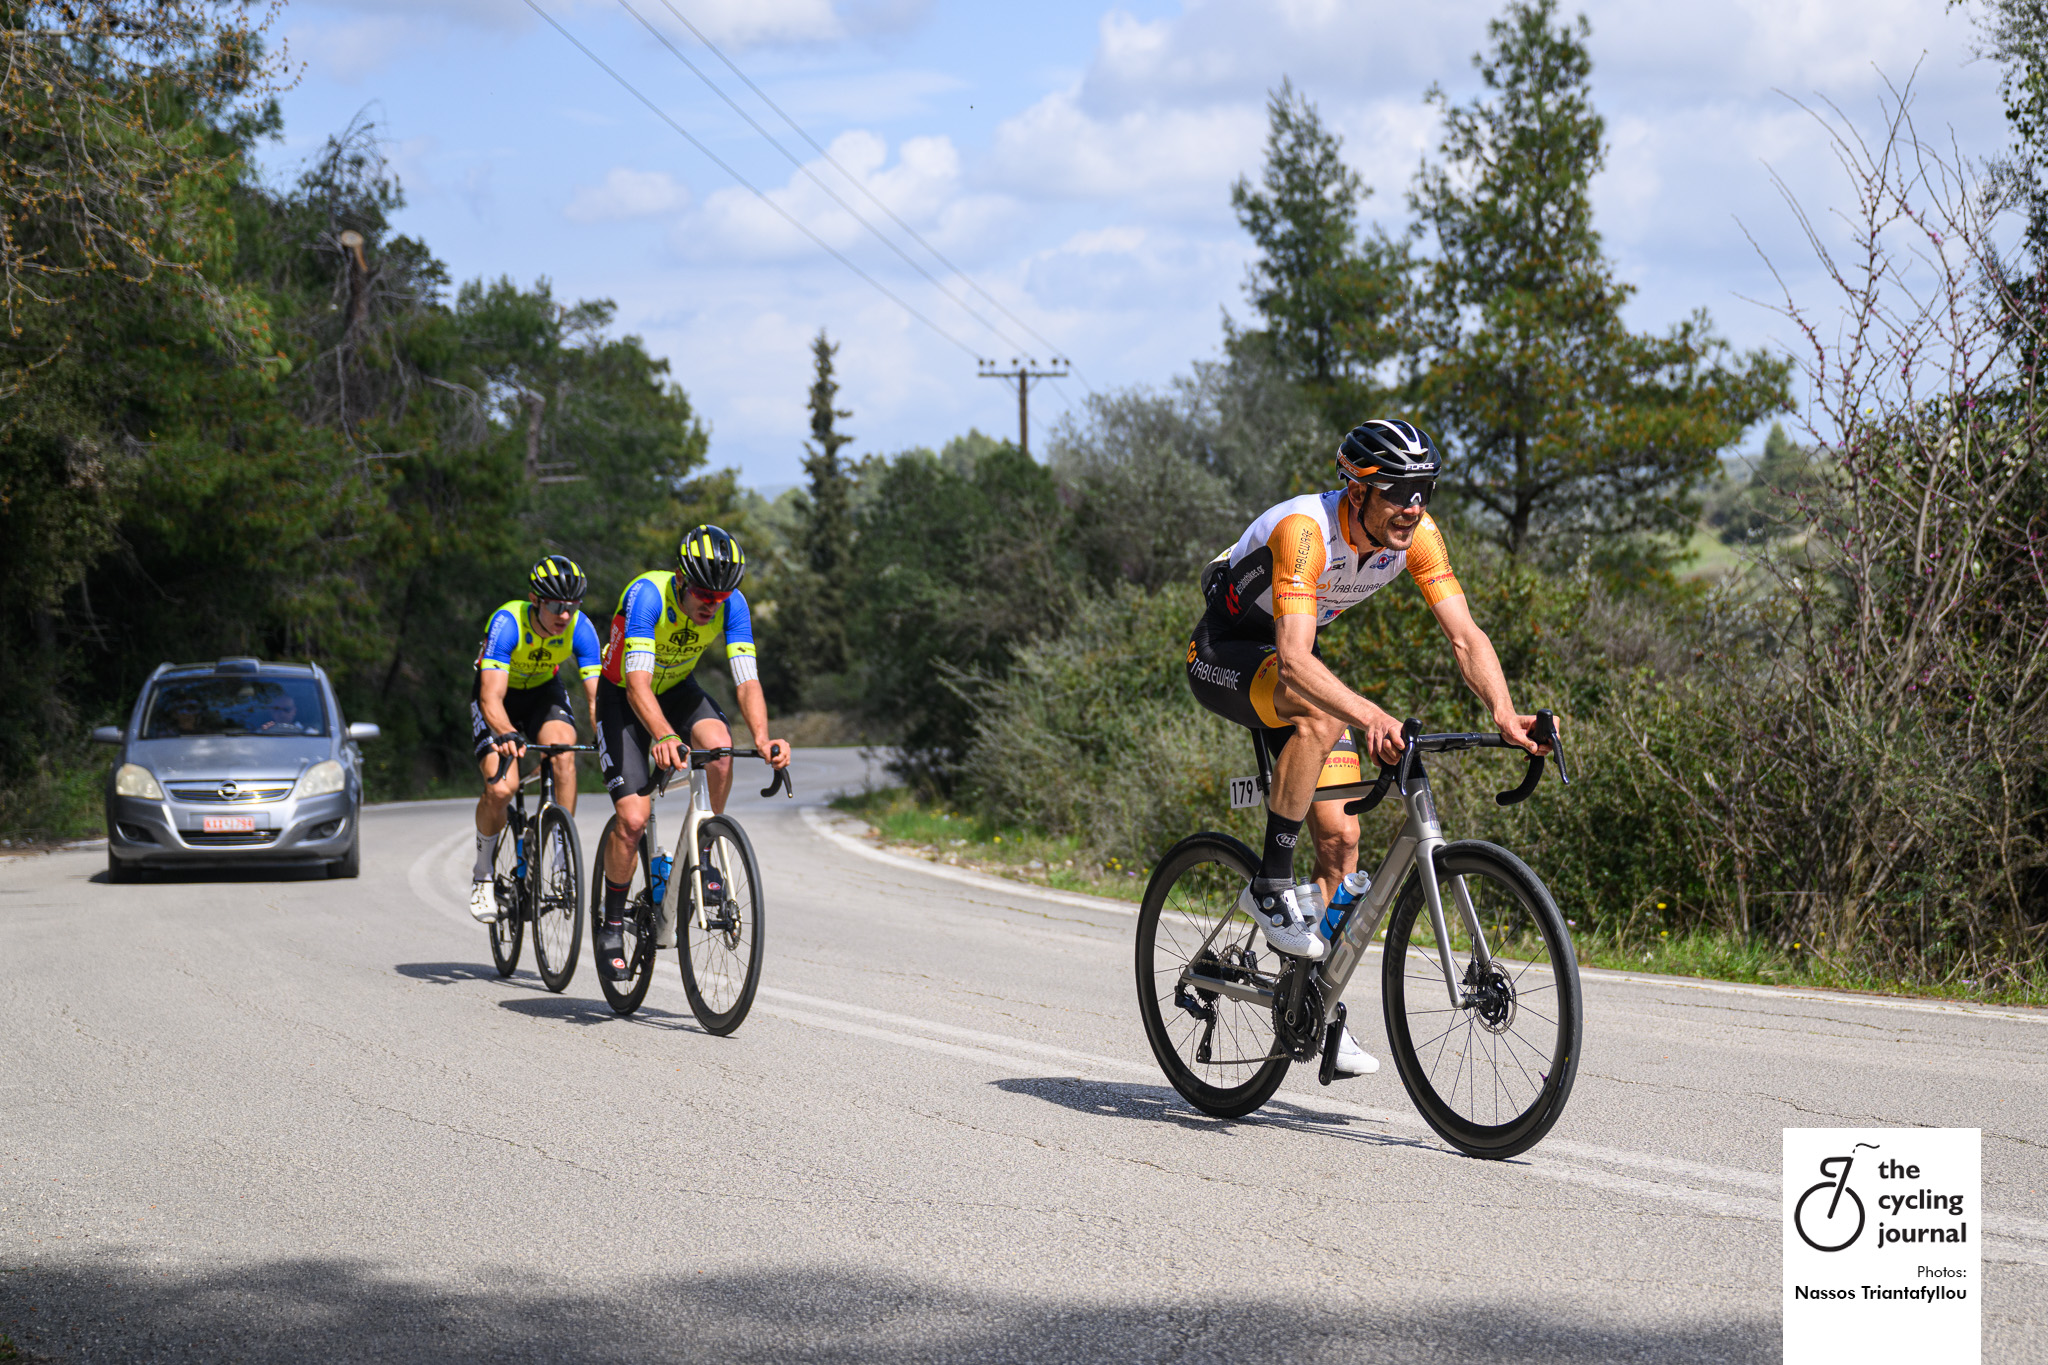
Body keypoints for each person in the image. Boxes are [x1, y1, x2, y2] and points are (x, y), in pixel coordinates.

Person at [1186, 418, 1550, 1077]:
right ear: (1356, 491)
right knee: (1322, 720)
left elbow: (1465, 636)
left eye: (1424, 490)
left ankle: (1313, 1007)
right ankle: (1270, 885)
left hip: (1292, 660)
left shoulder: (1418, 537)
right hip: (1226, 651)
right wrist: (1371, 713)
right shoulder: (1305, 532)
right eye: (1398, 491)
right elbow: (1294, 661)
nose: (1413, 506)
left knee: (1342, 842)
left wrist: (1505, 712)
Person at [592, 525, 791, 981]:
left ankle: (703, 860)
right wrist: (662, 736)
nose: (711, 604)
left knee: (720, 751)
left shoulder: (731, 604)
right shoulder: (647, 597)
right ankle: (612, 924)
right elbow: (638, 684)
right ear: (681, 579)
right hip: (623, 696)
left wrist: (763, 738)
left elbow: (747, 680)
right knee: (633, 820)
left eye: (719, 597)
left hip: (678, 688)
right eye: (703, 593)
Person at [468, 555, 603, 923]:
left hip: (543, 694)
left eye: (572, 607)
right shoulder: (507, 622)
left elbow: (595, 697)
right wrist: (506, 732)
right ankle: (482, 875)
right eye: (557, 606)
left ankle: (562, 856)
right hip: (500, 698)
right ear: (536, 599)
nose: (565, 615)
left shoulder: (580, 627)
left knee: (563, 753)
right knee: (500, 789)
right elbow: (490, 698)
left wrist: (606, 735)